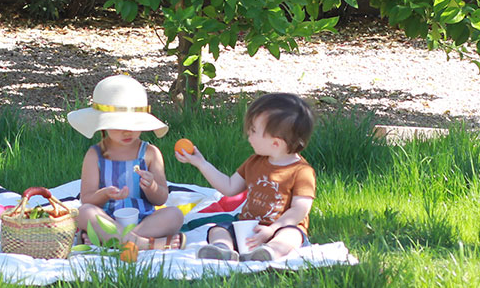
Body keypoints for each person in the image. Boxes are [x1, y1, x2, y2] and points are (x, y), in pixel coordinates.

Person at [177, 93, 315, 262]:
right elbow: (229, 187)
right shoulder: (254, 162)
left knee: (291, 236)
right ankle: (222, 248)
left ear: (276, 143)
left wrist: (272, 230)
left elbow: (299, 210)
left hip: (280, 228)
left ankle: (270, 251)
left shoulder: (301, 171)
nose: (248, 135)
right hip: (247, 227)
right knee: (218, 230)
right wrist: (202, 163)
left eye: (253, 131)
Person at [67, 75, 185, 250]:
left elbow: (161, 197)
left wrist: (151, 186)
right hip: (108, 219)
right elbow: (87, 199)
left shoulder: (150, 154)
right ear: (103, 124)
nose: (127, 131)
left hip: (144, 220)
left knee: (175, 214)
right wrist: (105, 194)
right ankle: (143, 244)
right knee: (84, 213)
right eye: (118, 125)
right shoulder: (95, 155)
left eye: (134, 125)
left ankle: (114, 240)